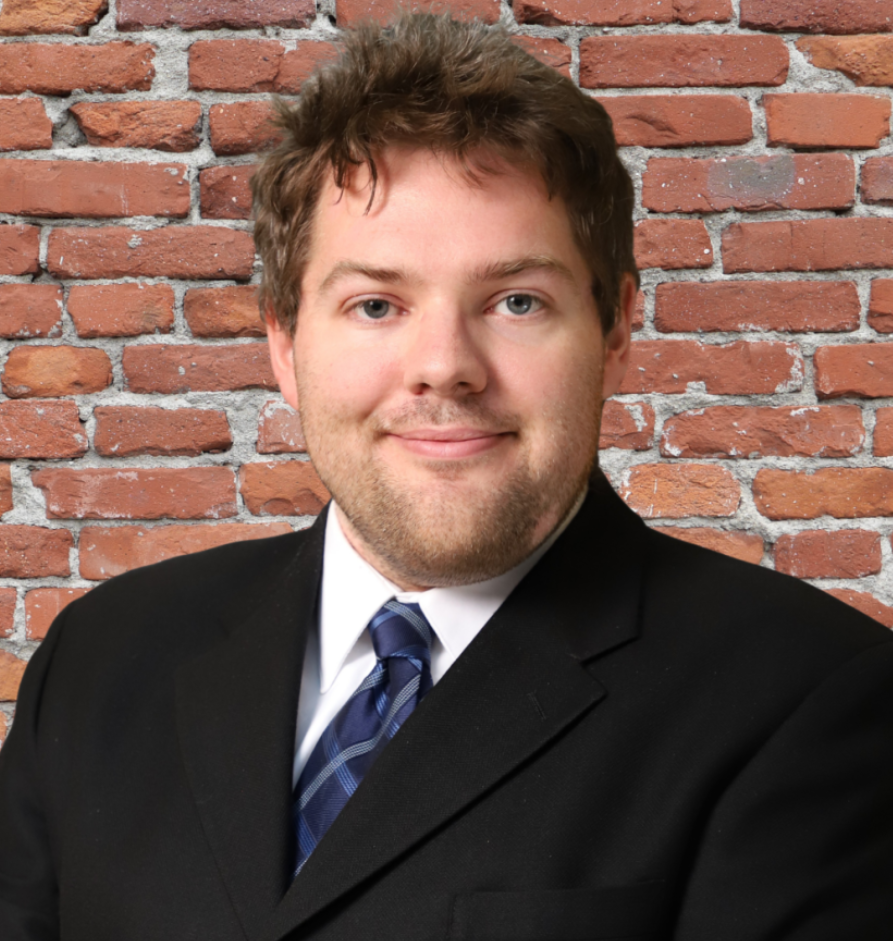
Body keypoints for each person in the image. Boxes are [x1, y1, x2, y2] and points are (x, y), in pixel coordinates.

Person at [1, 13, 892, 940]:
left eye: (515, 301)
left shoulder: (808, 703)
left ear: (617, 329)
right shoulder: (103, 658)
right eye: (375, 303)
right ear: (283, 342)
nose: (443, 365)